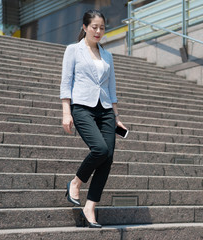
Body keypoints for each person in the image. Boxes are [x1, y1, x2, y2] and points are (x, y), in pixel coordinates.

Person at [60, 9, 126, 228]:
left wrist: (116, 116)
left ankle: (90, 207)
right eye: (94, 27)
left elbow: (111, 86)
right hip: (82, 107)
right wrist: (66, 112)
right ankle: (75, 182)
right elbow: (66, 82)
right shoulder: (73, 50)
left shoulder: (107, 55)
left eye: (102, 28)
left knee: (107, 159)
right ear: (85, 27)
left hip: (106, 109)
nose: (98, 31)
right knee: (100, 149)